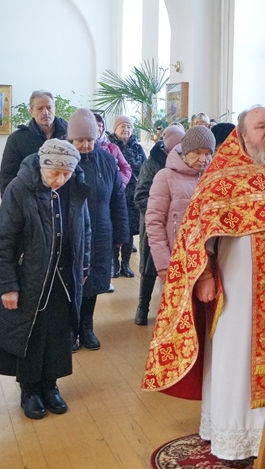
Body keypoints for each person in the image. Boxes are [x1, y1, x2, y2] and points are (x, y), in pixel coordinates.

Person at [142, 105, 265, 461]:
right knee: (239, 354)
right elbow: (198, 232)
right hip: (240, 288)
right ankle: (238, 436)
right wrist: (204, 276)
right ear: (243, 134)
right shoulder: (221, 178)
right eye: (261, 126)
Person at [0, 139, 90, 420]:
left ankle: (50, 385)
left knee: (57, 332)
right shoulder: (19, 189)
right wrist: (8, 285)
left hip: (64, 276)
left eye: (66, 173)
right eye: (54, 173)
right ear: (43, 167)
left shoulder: (74, 189)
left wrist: (84, 266)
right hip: (29, 277)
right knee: (32, 333)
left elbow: (86, 229)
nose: (60, 180)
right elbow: (1, 241)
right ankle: (30, 389)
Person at [66, 109, 129, 351]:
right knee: (72, 281)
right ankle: (70, 330)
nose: (85, 145)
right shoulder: (64, 160)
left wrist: (122, 234)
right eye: (80, 140)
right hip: (72, 231)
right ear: (71, 139)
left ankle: (86, 328)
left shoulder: (107, 160)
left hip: (101, 230)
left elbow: (118, 199)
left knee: (92, 282)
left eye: (90, 140)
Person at [146, 125, 215, 291]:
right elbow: (154, 222)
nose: (203, 159)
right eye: (197, 153)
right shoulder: (165, 177)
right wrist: (163, 264)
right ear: (185, 151)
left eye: (207, 153)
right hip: (176, 258)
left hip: (208, 261)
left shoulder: (212, 178)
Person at [133, 124, 185, 325]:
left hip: (176, 225)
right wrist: (159, 213)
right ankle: (143, 306)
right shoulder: (152, 163)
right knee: (149, 268)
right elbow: (140, 195)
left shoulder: (185, 165)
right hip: (153, 223)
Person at [0, 90, 68, 195]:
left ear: (55, 109)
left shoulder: (70, 134)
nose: (45, 112)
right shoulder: (17, 139)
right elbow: (7, 176)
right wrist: (9, 201)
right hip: (31, 198)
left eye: (49, 108)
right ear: (31, 112)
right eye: (40, 108)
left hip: (64, 198)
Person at [108, 115, 146, 278]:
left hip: (133, 196)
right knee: (116, 228)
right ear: (115, 129)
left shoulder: (137, 147)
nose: (126, 129)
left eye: (129, 127)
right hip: (115, 195)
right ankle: (114, 264)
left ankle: (126, 263)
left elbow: (145, 169)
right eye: (122, 126)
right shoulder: (109, 146)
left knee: (129, 230)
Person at [94, 112, 131, 188]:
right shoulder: (83, 147)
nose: (97, 128)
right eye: (94, 125)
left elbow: (126, 168)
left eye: (100, 126)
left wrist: (120, 183)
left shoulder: (112, 148)